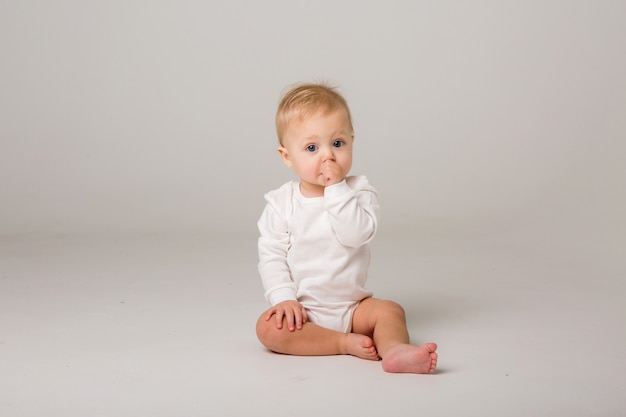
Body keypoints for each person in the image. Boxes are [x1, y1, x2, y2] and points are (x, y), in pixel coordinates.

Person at [255, 82, 438, 374]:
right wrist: (284, 299)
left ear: (351, 142)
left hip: (354, 307)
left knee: (390, 311)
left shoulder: (359, 191)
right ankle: (342, 343)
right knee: (268, 329)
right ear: (287, 156)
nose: (328, 156)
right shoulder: (280, 203)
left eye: (337, 143)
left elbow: (355, 235)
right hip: (305, 311)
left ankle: (395, 351)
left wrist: (337, 189)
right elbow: (271, 255)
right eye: (312, 148)